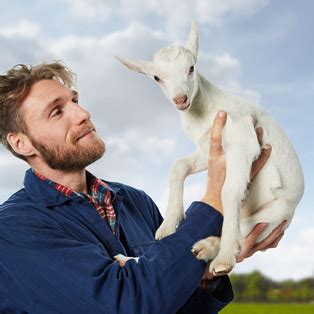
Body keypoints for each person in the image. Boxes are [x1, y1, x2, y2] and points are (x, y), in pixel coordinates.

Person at [0, 62, 285, 313]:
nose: (82, 113)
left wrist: (205, 273)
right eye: (57, 112)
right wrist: (218, 199)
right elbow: (124, 304)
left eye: (75, 100)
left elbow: (173, 302)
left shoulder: (135, 201)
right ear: (21, 143)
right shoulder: (12, 230)